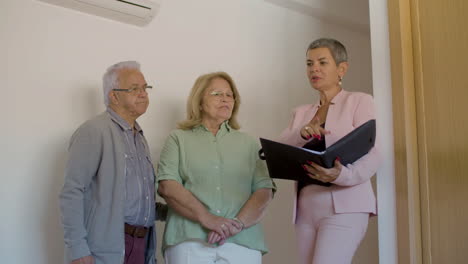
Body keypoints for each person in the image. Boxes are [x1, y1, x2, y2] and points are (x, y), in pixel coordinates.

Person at [278, 38, 382, 264]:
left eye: (322, 62)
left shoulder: (359, 101)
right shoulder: (301, 112)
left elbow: (374, 153)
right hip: (306, 209)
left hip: (345, 205)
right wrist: (302, 133)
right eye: (309, 63)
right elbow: (281, 150)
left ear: (341, 68)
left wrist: (342, 175)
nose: (314, 68)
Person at [157, 72, 276, 264]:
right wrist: (207, 218)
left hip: (242, 243)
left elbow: (264, 191)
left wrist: (237, 224)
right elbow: (167, 186)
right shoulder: (178, 139)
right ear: (200, 102)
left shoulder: (250, 144)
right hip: (190, 241)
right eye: (217, 93)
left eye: (229, 95)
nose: (225, 99)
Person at [59, 61, 167, 264]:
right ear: (114, 95)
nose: (143, 93)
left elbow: (135, 199)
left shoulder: (139, 137)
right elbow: (71, 192)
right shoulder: (93, 131)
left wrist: (174, 211)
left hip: (141, 245)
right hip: (105, 249)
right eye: (135, 88)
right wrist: (77, 249)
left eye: (145, 87)